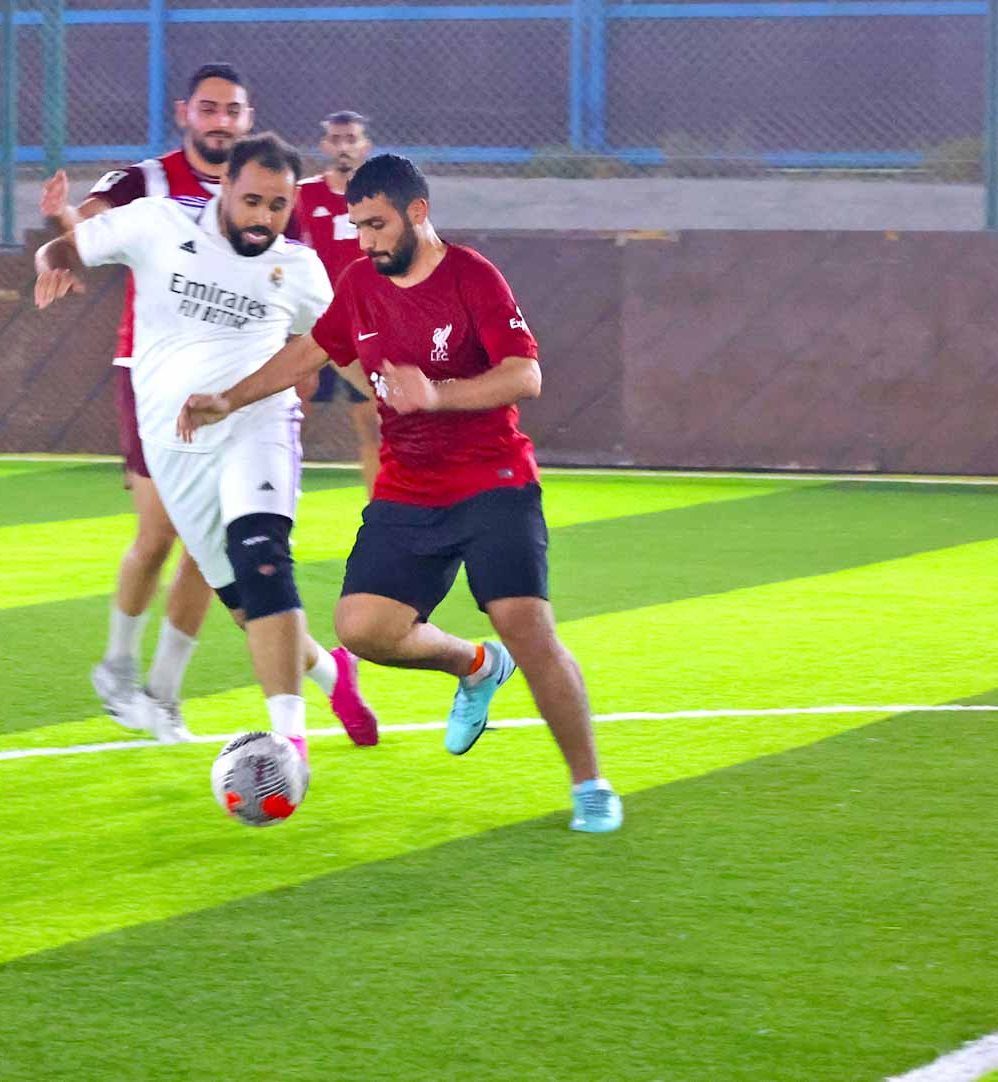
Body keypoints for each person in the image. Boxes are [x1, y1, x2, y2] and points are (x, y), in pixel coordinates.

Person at [179, 154, 623, 831]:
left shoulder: (472, 276)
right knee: (362, 629)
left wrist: (437, 394)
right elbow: (310, 350)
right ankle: (476, 665)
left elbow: (524, 375)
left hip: (493, 478)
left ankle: (590, 784)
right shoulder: (360, 283)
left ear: (418, 212)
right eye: (358, 226)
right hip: (409, 486)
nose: (366, 241)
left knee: (526, 624)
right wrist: (228, 399)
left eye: (378, 225)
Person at [36, 133, 380, 755]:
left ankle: (288, 746)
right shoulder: (157, 224)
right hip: (173, 448)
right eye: (252, 201)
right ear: (224, 188)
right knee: (247, 604)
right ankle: (333, 675)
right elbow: (65, 246)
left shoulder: (299, 268)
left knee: (263, 556)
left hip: (258, 426)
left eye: (278, 206)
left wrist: (398, 402)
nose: (264, 218)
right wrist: (51, 263)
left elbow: (344, 348)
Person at [36, 62, 256, 739]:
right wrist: (58, 244)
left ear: (247, 120)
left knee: (208, 544)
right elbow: (83, 232)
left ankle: (163, 694)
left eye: (233, 111)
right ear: (185, 113)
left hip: (226, 382)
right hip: (151, 374)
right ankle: (117, 668)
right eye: (209, 108)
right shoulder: (145, 180)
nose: (221, 121)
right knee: (161, 533)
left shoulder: (261, 190)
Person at [289, 110, 381, 494]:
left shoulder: (380, 199)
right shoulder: (302, 196)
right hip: (314, 326)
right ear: (325, 145)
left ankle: (382, 511)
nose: (344, 147)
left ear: (365, 146)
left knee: (374, 425)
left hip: (366, 328)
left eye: (351, 139)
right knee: (289, 418)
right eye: (337, 139)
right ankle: (270, 506)